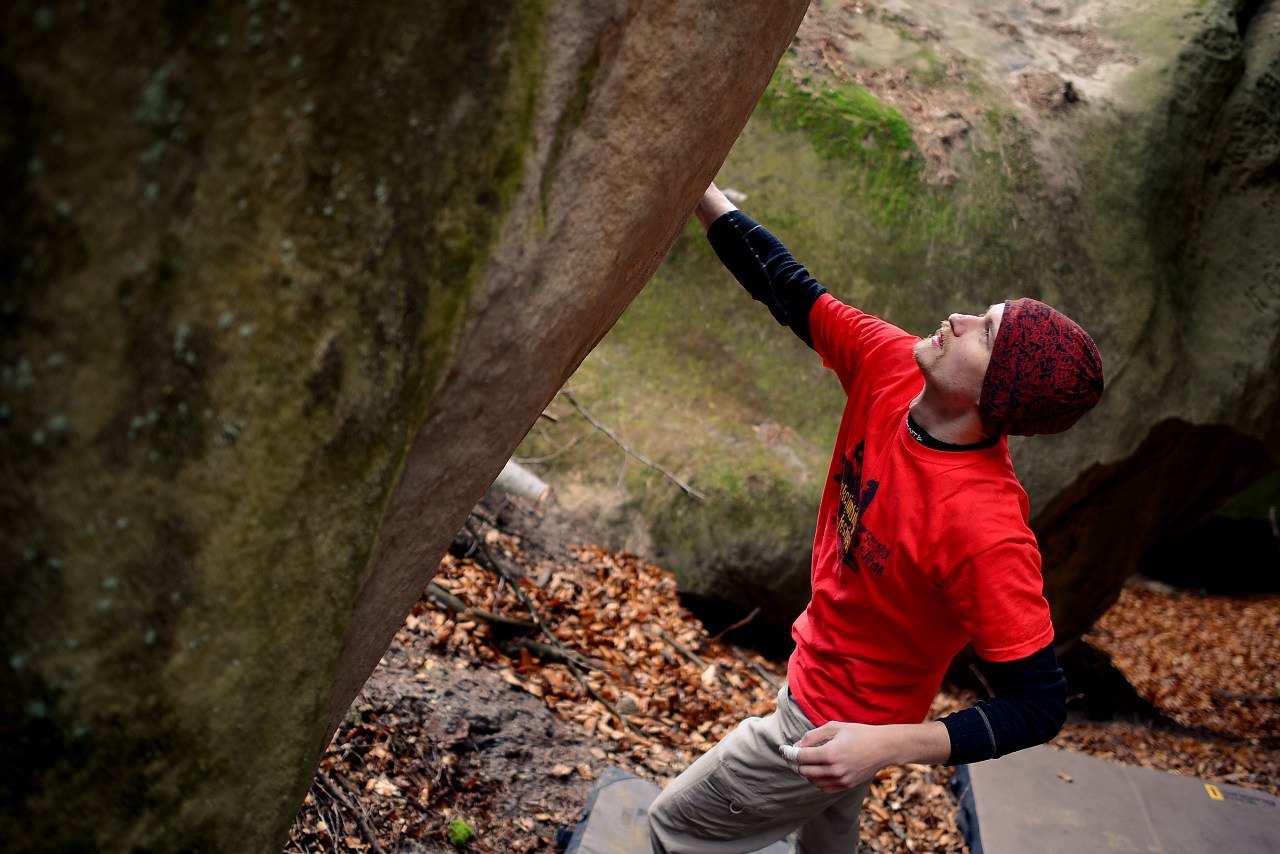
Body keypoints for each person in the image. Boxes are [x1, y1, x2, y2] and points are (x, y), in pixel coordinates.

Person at [647, 184, 1104, 854]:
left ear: (999, 389)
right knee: (826, 837)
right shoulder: (892, 364)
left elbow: (1037, 704)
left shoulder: (985, 529)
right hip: (838, 696)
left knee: (672, 828)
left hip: (827, 721)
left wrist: (882, 746)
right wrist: (703, 194)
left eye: (987, 331)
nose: (958, 318)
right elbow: (791, 291)